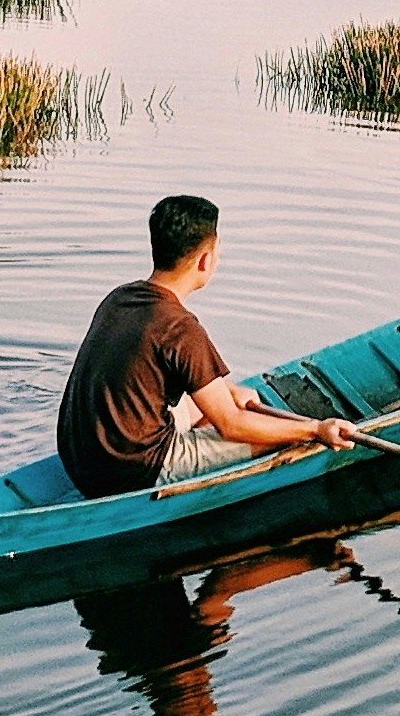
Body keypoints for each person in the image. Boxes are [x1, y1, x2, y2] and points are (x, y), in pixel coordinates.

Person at [55, 193, 355, 499]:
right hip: (136, 470)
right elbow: (231, 425)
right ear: (205, 260)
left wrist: (227, 393)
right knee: (284, 438)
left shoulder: (120, 297)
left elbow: (159, 373)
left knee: (222, 403)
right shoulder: (180, 328)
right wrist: (316, 430)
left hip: (79, 461)